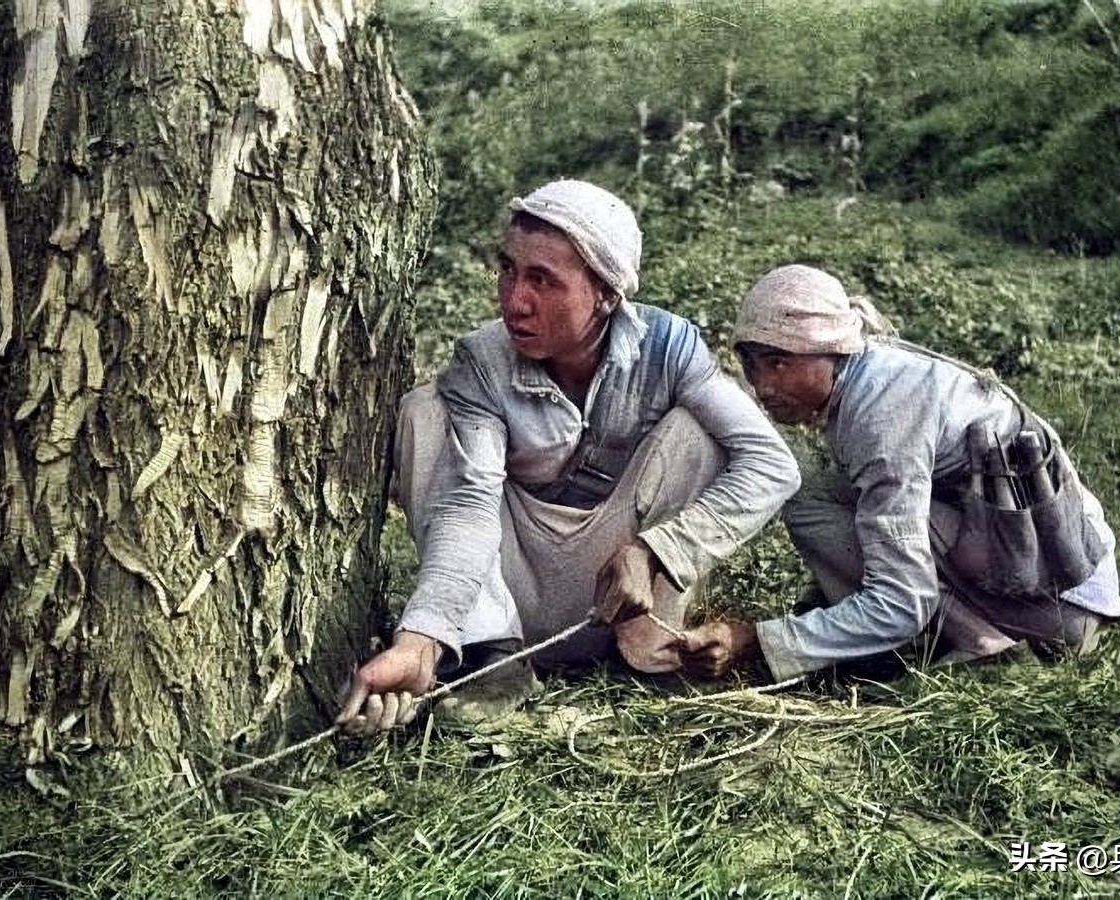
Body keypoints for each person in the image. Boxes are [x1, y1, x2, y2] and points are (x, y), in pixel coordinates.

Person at [337, 180, 802, 732]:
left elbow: (773, 465)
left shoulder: (667, 347)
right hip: (511, 585)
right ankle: (492, 657)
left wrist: (655, 549)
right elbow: (468, 502)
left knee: (695, 431)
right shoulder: (482, 363)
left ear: (606, 294)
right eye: (508, 270)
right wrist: (424, 636)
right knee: (424, 412)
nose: (514, 300)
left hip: (621, 595)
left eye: (542, 280)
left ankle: (648, 651)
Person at [679, 264, 1120, 682]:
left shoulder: (881, 415)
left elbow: (902, 603)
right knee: (817, 491)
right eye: (752, 365)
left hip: (1062, 609)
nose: (763, 387)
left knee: (814, 497)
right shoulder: (875, 374)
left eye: (778, 363)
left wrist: (759, 639)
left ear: (831, 349)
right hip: (1060, 587)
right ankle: (935, 631)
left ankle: (983, 644)